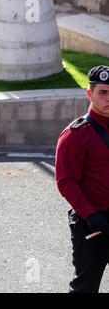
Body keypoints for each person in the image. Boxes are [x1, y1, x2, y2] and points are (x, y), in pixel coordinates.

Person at [55, 65, 109, 293]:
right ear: (90, 94)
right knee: (85, 287)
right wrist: (92, 215)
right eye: (103, 92)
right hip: (93, 223)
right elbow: (66, 181)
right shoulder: (75, 134)